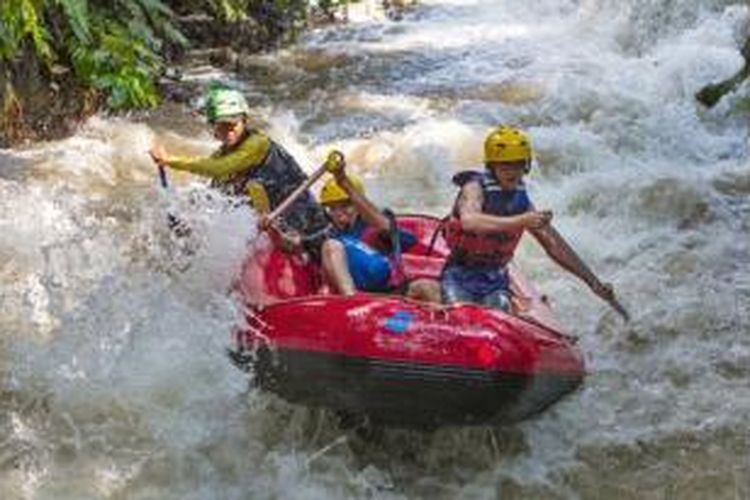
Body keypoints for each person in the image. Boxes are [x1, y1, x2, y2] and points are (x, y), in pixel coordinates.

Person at [441, 125, 618, 313]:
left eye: (518, 164)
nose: (513, 171)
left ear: (526, 165)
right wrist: (521, 221)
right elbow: (470, 221)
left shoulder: (521, 202)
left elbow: (554, 246)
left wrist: (593, 283)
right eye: (505, 165)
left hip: (496, 278)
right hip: (459, 274)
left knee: (499, 313)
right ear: (492, 166)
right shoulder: (474, 188)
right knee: (459, 313)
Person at [149, 86, 329, 255]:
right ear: (213, 127)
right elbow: (215, 195)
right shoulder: (222, 154)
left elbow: (217, 169)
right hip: (275, 226)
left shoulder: (257, 144)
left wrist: (170, 161)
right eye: (222, 125)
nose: (228, 131)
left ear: (244, 121)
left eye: (233, 124)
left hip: (306, 221)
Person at [319, 158, 441, 303]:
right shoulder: (327, 236)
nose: (339, 213)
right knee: (332, 246)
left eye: (345, 206)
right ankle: (351, 300)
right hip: (353, 300)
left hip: (387, 296)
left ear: (358, 204)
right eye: (333, 208)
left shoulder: (374, 228)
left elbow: (401, 237)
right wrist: (286, 239)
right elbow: (296, 246)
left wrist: (344, 182)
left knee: (427, 287)